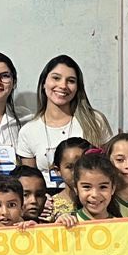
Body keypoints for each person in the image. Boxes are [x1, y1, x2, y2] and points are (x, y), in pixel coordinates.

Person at [15, 55, 112, 183]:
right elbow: (29, 182)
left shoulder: (94, 121)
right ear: (44, 83)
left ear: (78, 87)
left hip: (89, 194)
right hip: (47, 195)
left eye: (71, 81)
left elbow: (109, 168)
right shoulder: (29, 131)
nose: (63, 85)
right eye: (56, 78)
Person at [47, 136, 94, 215]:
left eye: (83, 165)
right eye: (70, 167)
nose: (77, 171)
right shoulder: (50, 207)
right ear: (58, 171)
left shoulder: (102, 201)